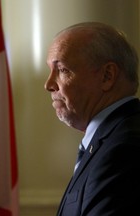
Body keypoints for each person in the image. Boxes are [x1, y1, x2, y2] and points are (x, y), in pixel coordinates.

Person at [44, 22, 140, 215]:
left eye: (62, 70)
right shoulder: (110, 138)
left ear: (107, 76)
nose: (48, 84)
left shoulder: (123, 148)